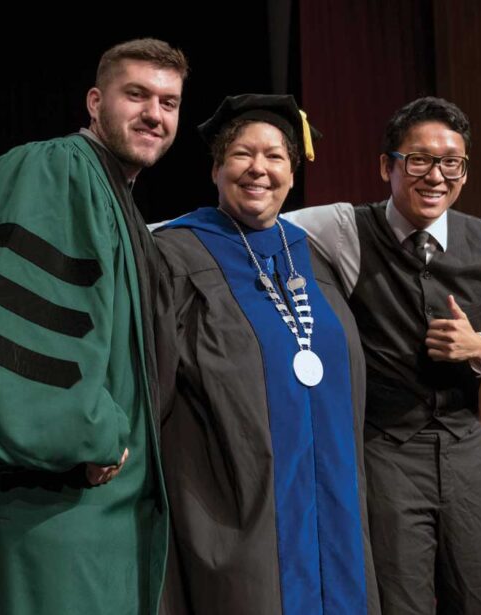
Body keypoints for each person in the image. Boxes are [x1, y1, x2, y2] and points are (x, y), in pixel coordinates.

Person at [0, 39, 187, 614]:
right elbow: (23, 331)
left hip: (108, 505)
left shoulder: (118, 196)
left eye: (170, 102)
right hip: (58, 498)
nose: (155, 113)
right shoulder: (53, 169)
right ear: (96, 101)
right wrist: (88, 434)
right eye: (137, 95)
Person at [283, 96, 481, 613]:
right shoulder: (345, 228)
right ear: (387, 166)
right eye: (419, 160)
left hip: (466, 449)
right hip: (387, 452)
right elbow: (256, 218)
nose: (436, 175)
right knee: (400, 602)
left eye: (451, 162)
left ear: (464, 172)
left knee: (480, 599)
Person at [154, 94, 377, 615]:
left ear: (292, 174)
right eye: (242, 155)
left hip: (333, 502)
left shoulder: (309, 253)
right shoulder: (176, 253)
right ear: (216, 169)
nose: (259, 169)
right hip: (233, 503)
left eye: (275, 156)